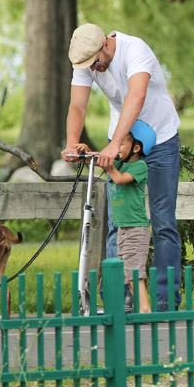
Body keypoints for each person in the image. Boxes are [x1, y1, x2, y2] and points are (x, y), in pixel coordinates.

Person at [62, 23, 182, 312]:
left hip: (160, 137)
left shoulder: (134, 50)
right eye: (88, 66)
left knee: (163, 220)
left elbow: (136, 97)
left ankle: (165, 301)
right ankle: (121, 300)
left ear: (105, 44)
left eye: (96, 62)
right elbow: (78, 106)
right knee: (118, 221)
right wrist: (72, 143)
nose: (94, 69)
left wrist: (114, 143)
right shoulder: (86, 60)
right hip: (124, 141)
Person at [78, 121, 155, 313]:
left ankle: (145, 308)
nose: (116, 147)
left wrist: (108, 164)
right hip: (123, 227)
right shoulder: (120, 163)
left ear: (136, 148)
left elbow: (119, 178)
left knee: (134, 272)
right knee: (126, 271)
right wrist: (87, 152)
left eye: (121, 143)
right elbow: (99, 159)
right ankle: (140, 306)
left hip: (136, 228)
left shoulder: (139, 167)